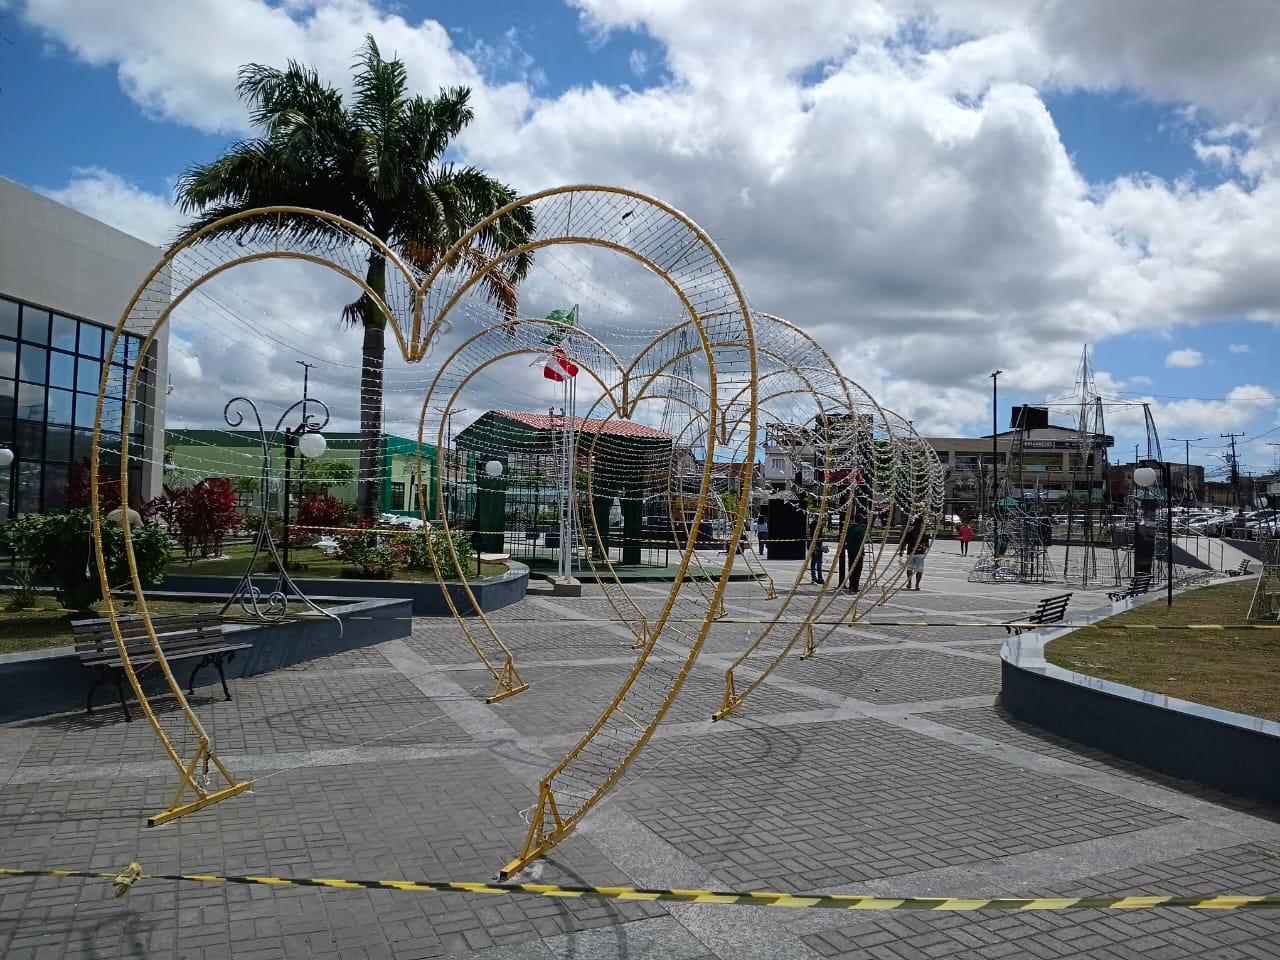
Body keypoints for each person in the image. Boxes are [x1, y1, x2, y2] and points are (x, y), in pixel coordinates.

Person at [899, 518, 930, 590]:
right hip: (920, 552)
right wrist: (925, 548)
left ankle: (909, 583)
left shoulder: (909, 531)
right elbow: (927, 545)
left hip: (911, 552)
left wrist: (901, 550)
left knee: (909, 568)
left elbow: (905, 542)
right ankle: (917, 584)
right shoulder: (924, 532)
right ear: (921, 524)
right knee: (920, 569)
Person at [808, 513, 824, 584]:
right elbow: (819, 535)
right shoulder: (818, 524)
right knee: (819, 562)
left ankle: (813, 577)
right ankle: (820, 577)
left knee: (813, 561)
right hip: (817, 544)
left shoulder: (812, 523)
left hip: (812, 543)